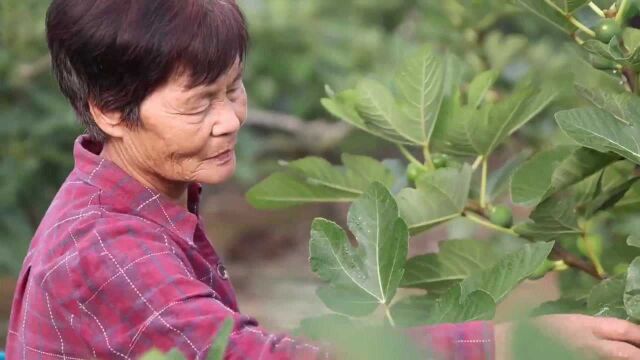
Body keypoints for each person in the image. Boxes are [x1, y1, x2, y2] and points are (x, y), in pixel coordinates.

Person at [6, 0, 640, 359]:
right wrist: (505, 345)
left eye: (234, 88)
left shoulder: (131, 197)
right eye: (200, 104)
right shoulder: (107, 249)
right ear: (112, 111)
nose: (231, 120)